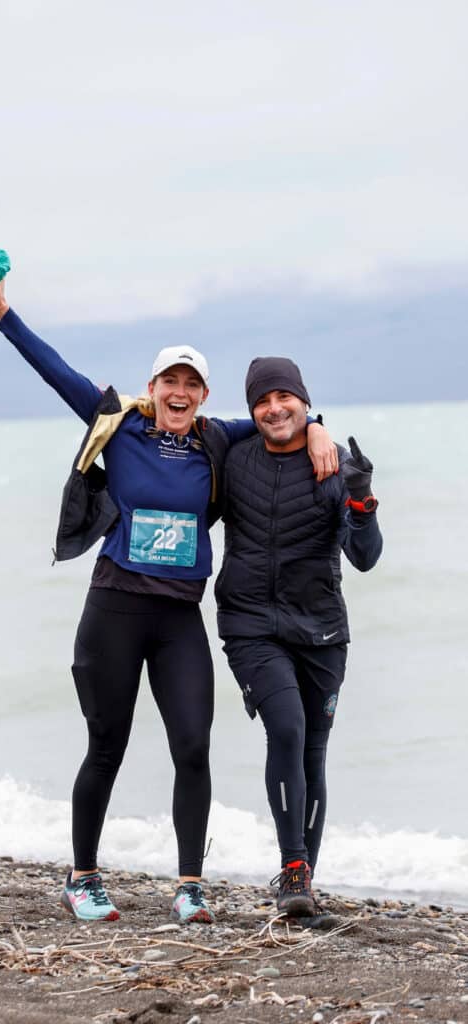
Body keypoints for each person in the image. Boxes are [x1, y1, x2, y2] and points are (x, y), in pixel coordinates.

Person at [0, 274, 337, 923]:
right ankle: (82, 877)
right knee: (106, 745)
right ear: (152, 388)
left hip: (178, 617)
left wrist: (316, 426)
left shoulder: (216, 437)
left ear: (202, 395)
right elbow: (53, 370)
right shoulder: (116, 425)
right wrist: (3, 312)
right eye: (168, 382)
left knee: (192, 747)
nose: (178, 392)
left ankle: (190, 885)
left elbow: (276, 421)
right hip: (114, 610)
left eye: (190, 384)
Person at [215, 356, 383, 917]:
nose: (274, 408)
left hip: (322, 630)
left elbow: (365, 558)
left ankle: (301, 883)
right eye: (262, 401)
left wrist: (360, 502)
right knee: (285, 728)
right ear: (251, 411)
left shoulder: (334, 466)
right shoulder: (234, 460)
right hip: (250, 625)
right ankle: (292, 867)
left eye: (284, 397)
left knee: (314, 750)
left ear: (304, 402)